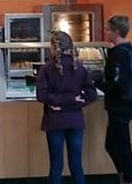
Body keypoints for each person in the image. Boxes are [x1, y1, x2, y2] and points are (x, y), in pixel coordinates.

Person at [36, 30, 97, 184]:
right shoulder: (79, 68)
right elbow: (92, 93)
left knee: (56, 166)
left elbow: (41, 95)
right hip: (75, 120)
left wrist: (58, 104)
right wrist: (75, 101)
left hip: (55, 121)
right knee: (76, 165)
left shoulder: (46, 69)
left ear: (52, 47)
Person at [94, 15, 132, 184]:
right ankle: (125, 177)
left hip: (121, 106)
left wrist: (97, 82)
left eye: (107, 29)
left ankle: (129, 179)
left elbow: (119, 84)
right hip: (126, 104)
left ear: (116, 32)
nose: (105, 32)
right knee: (113, 145)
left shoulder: (120, 54)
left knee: (121, 146)